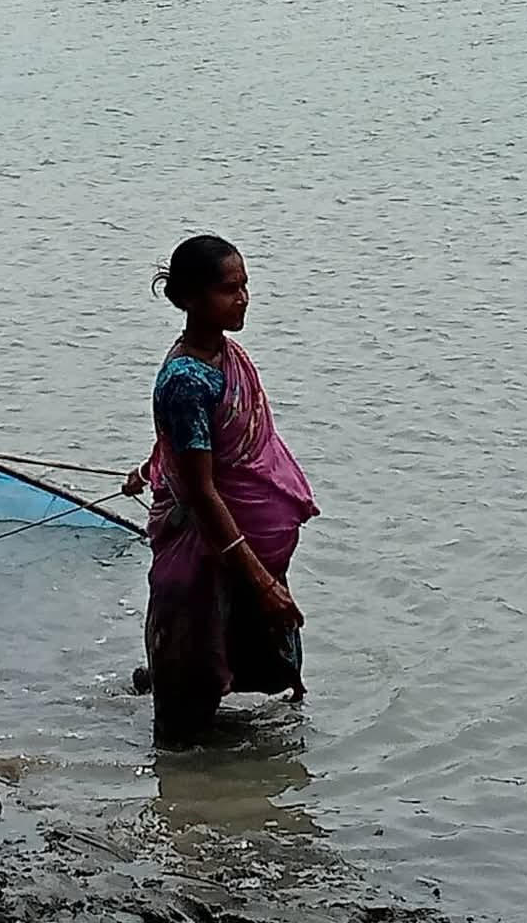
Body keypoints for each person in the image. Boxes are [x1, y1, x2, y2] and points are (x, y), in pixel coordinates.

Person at [122, 235, 319, 742]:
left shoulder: (225, 356)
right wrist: (262, 585)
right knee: (183, 717)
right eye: (229, 289)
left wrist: (146, 470)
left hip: (247, 550)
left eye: (245, 286)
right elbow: (202, 491)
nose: (243, 298)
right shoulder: (187, 381)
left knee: (249, 666)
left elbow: (187, 444)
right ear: (190, 298)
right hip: (211, 550)